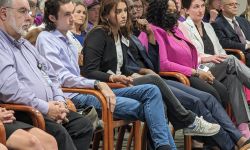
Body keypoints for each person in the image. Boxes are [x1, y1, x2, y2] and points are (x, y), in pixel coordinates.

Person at [0, 0, 94, 150]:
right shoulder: (2, 45)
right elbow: (11, 91)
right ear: (4, 13)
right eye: (23, 11)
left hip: (47, 106)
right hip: (24, 110)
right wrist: (46, 108)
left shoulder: (24, 44)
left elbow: (52, 76)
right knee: (59, 133)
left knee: (82, 125)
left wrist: (59, 101)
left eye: (30, 12)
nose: (29, 17)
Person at [181, 0, 250, 139]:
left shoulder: (208, 26)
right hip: (199, 68)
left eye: (201, 6)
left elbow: (220, 50)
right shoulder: (183, 27)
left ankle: (243, 126)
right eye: (196, 7)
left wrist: (220, 58)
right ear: (187, 10)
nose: (200, 10)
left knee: (233, 78)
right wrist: (214, 58)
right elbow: (193, 55)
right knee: (230, 59)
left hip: (216, 66)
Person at [212, 0, 250, 66]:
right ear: (222, 7)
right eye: (231, 4)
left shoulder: (243, 20)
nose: (235, 6)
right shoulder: (217, 24)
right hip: (238, 53)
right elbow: (224, 43)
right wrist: (246, 46)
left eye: (236, 4)